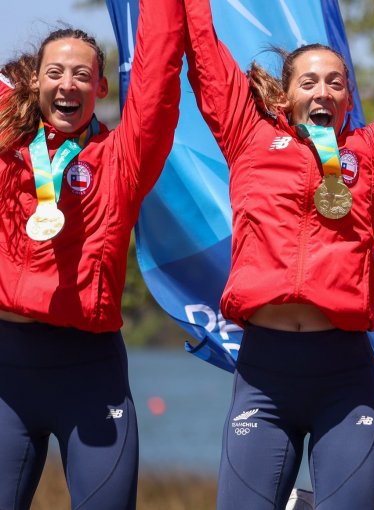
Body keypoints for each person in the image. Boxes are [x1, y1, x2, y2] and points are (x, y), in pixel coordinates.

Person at [180, 0, 374, 507]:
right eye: (308, 82)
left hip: (344, 377)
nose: (322, 90)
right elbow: (202, 53)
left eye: (335, 82)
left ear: (348, 97)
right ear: (286, 96)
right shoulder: (248, 136)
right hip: (264, 376)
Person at [0, 1, 185, 509]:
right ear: (33, 83)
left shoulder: (121, 159)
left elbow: (157, 80)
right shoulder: (5, 147)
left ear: (101, 88)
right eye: (54, 73)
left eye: (82, 74)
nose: (67, 85)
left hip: (89, 372)